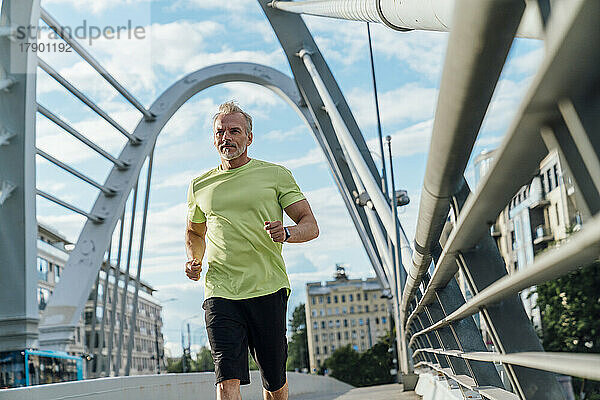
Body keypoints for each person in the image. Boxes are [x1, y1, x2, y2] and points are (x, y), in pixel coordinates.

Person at [185, 101, 319, 400]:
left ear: (249, 137)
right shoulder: (199, 184)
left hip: (266, 287)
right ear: (213, 137)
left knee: (273, 381)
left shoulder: (275, 175)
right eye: (221, 132)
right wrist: (194, 259)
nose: (227, 138)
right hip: (221, 290)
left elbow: (310, 225)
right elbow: (195, 231)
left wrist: (286, 232)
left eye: (235, 131)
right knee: (226, 379)